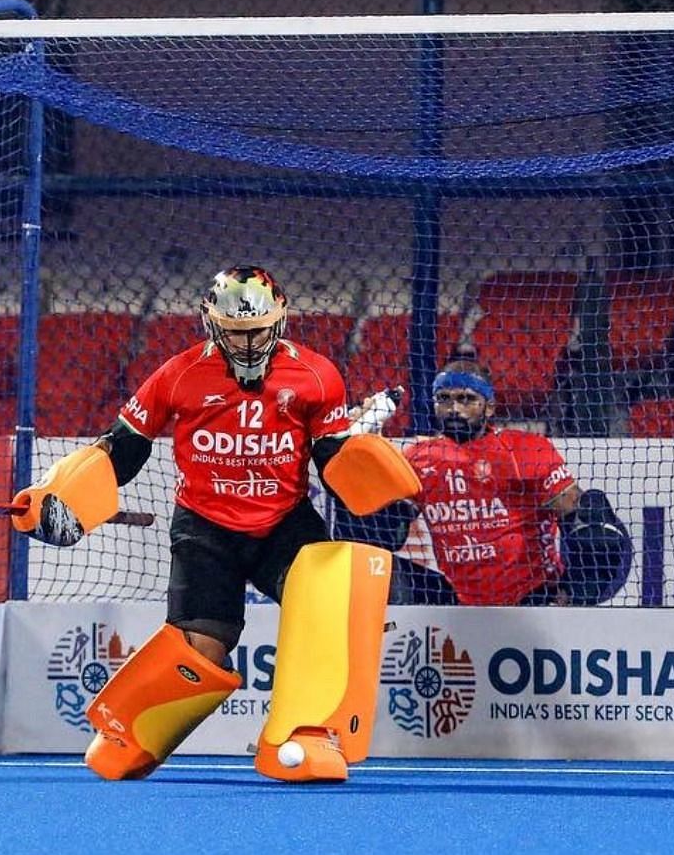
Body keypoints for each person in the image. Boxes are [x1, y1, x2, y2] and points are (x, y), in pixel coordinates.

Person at [21, 266, 415, 783]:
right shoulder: (177, 374)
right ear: (211, 324)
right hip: (205, 527)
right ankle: (131, 735)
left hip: (284, 523)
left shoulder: (318, 375)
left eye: (257, 331)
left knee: (329, 599)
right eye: (235, 333)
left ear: (280, 321)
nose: (248, 343)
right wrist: (62, 496)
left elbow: (332, 458)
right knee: (201, 647)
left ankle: (304, 739)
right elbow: (121, 449)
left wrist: (359, 459)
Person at [344, 357, 626, 606]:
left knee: (594, 512)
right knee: (366, 556)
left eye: (466, 399)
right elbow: (385, 531)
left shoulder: (524, 449)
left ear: (488, 407)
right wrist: (361, 450)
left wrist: (573, 590)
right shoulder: (420, 458)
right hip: (459, 601)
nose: (454, 408)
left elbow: (579, 519)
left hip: (532, 596)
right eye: (444, 399)